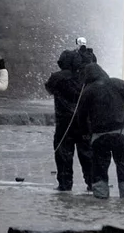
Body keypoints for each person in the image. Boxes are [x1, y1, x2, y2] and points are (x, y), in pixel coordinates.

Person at [77, 62, 124, 199]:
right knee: (123, 164)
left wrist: (85, 133)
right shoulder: (117, 83)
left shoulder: (88, 90)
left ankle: (101, 198)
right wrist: (120, 101)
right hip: (120, 133)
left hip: (99, 136)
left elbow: (81, 115)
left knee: (99, 167)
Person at [44, 50, 93, 192]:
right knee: (87, 154)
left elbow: (49, 88)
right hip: (84, 123)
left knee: (63, 154)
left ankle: (65, 184)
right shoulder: (85, 77)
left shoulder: (57, 77)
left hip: (64, 123)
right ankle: (92, 183)